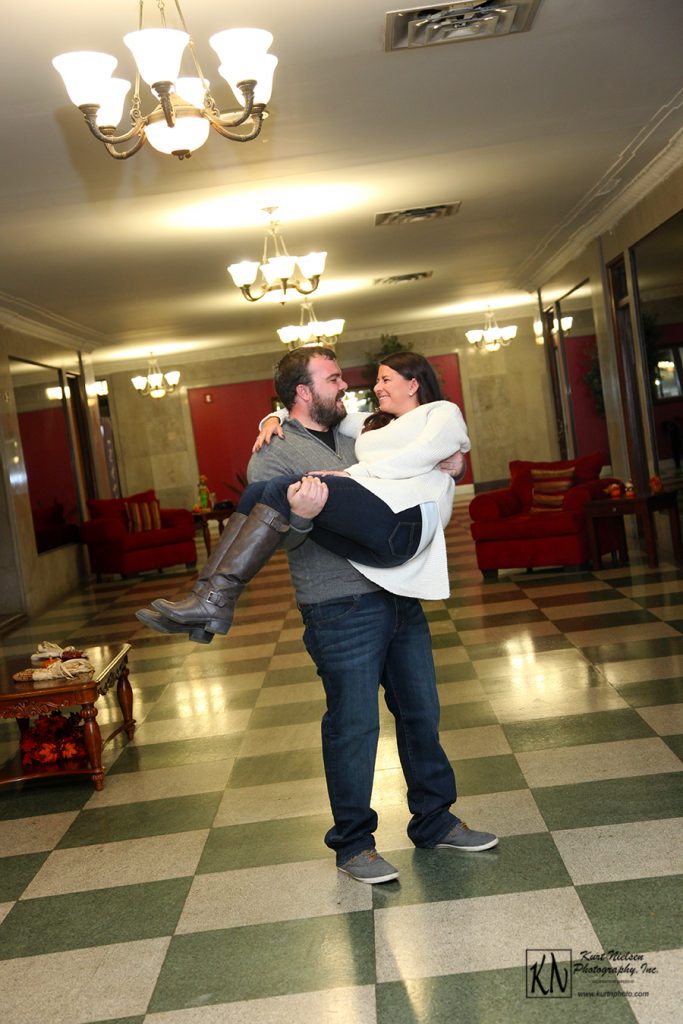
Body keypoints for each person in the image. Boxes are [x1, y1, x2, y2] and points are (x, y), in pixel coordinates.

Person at [138, 348, 498, 882]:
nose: (346, 386)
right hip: (338, 604)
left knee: (422, 713)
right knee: (353, 727)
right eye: (333, 380)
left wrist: (454, 459)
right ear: (303, 392)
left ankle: (435, 820)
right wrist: (301, 518)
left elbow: (420, 445)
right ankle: (354, 845)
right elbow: (281, 541)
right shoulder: (275, 452)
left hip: (398, 590)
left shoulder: (361, 433)